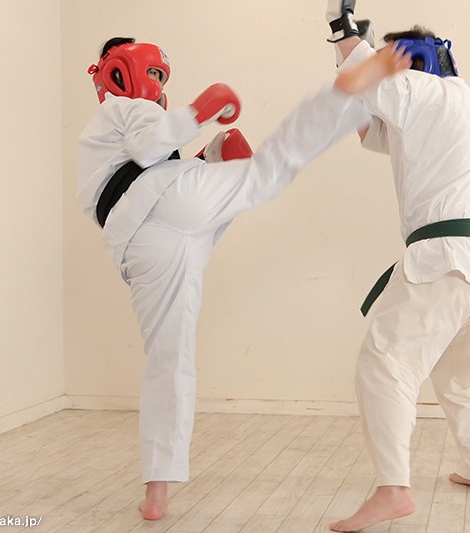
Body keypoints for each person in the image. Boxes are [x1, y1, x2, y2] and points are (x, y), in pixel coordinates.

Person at [76, 36, 412, 520]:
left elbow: (154, 167)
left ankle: (157, 489)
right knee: (268, 170)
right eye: (151, 73)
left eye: (159, 77)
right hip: (164, 206)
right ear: (118, 71)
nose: (155, 84)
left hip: (142, 244)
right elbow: (149, 149)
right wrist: (201, 110)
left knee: (170, 359)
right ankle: (347, 94)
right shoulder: (122, 109)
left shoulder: (100, 140)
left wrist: (210, 155)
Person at [323, 2, 470, 531]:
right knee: (458, 374)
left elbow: (359, 77)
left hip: (445, 258)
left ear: (412, 60)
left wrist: (341, 27)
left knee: (385, 362)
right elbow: (367, 125)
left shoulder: (427, 91)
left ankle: (392, 489)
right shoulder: (450, 107)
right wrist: (354, 54)